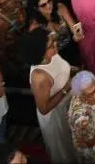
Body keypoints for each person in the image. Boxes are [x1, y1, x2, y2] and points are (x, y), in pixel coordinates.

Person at [19, 28, 78, 163]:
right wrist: (66, 88)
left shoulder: (53, 55)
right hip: (57, 115)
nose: (55, 46)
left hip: (69, 101)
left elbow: (61, 69)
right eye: (51, 46)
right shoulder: (39, 77)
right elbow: (44, 109)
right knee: (65, 147)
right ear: (40, 53)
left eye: (53, 43)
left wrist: (73, 70)